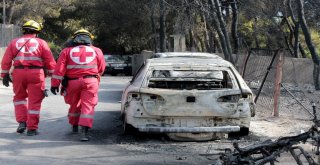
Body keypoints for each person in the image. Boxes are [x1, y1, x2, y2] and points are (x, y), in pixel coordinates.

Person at [1, 20, 56, 136]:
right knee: (34, 101)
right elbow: (50, 61)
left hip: (18, 73)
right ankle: (32, 129)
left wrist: (4, 75)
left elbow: (6, 60)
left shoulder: (14, 42)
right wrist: (55, 79)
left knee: (19, 98)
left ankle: (22, 122)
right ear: (37, 32)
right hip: (36, 73)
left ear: (24, 30)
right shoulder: (41, 43)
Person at [50, 29, 105, 141]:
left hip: (72, 82)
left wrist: (54, 84)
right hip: (90, 81)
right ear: (89, 38)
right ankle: (84, 132)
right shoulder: (96, 50)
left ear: (74, 38)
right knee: (88, 105)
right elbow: (101, 68)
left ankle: (74, 126)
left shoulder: (66, 51)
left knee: (74, 104)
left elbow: (59, 69)